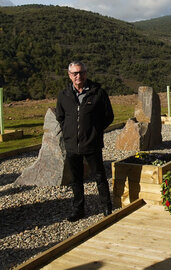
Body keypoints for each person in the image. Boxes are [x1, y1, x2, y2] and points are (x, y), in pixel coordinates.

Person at [56, 61, 114, 222]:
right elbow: (60, 117)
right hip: (72, 145)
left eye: (81, 72)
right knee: (76, 179)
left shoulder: (98, 93)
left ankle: (106, 207)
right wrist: (69, 132)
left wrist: (94, 131)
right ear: (69, 75)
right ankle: (78, 209)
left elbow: (108, 116)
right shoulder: (63, 95)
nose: (78, 76)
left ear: (86, 73)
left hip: (92, 143)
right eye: (74, 73)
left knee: (99, 176)